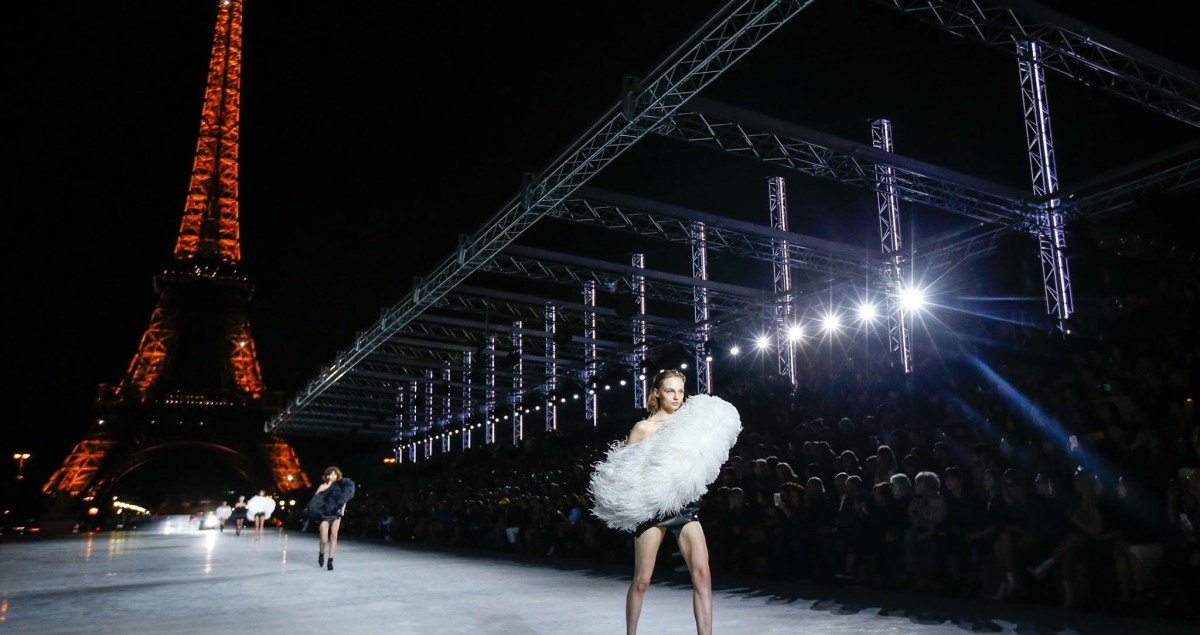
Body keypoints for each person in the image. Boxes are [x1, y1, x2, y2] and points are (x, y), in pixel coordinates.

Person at [589, 369, 741, 635]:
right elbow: (624, 473)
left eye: (680, 391)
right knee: (642, 580)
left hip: (684, 507)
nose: (677, 397)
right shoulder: (643, 429)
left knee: (703, 575)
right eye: (670, 391)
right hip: (652, 509)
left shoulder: (690, 424)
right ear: (657, 393)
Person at [306, 466, 356, 571]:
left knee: (334, 536)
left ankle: (330, 560)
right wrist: (316, 511)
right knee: (324, 539)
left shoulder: (339, 487)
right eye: (331, 474)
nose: (333, 476)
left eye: (335, 474)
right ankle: (321, 553)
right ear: (327, 476)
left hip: (336, 514)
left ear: (337, 476)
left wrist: (342, 510)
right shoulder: (322, 486)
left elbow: (343, 499)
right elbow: (315, 501)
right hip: (324, 514)